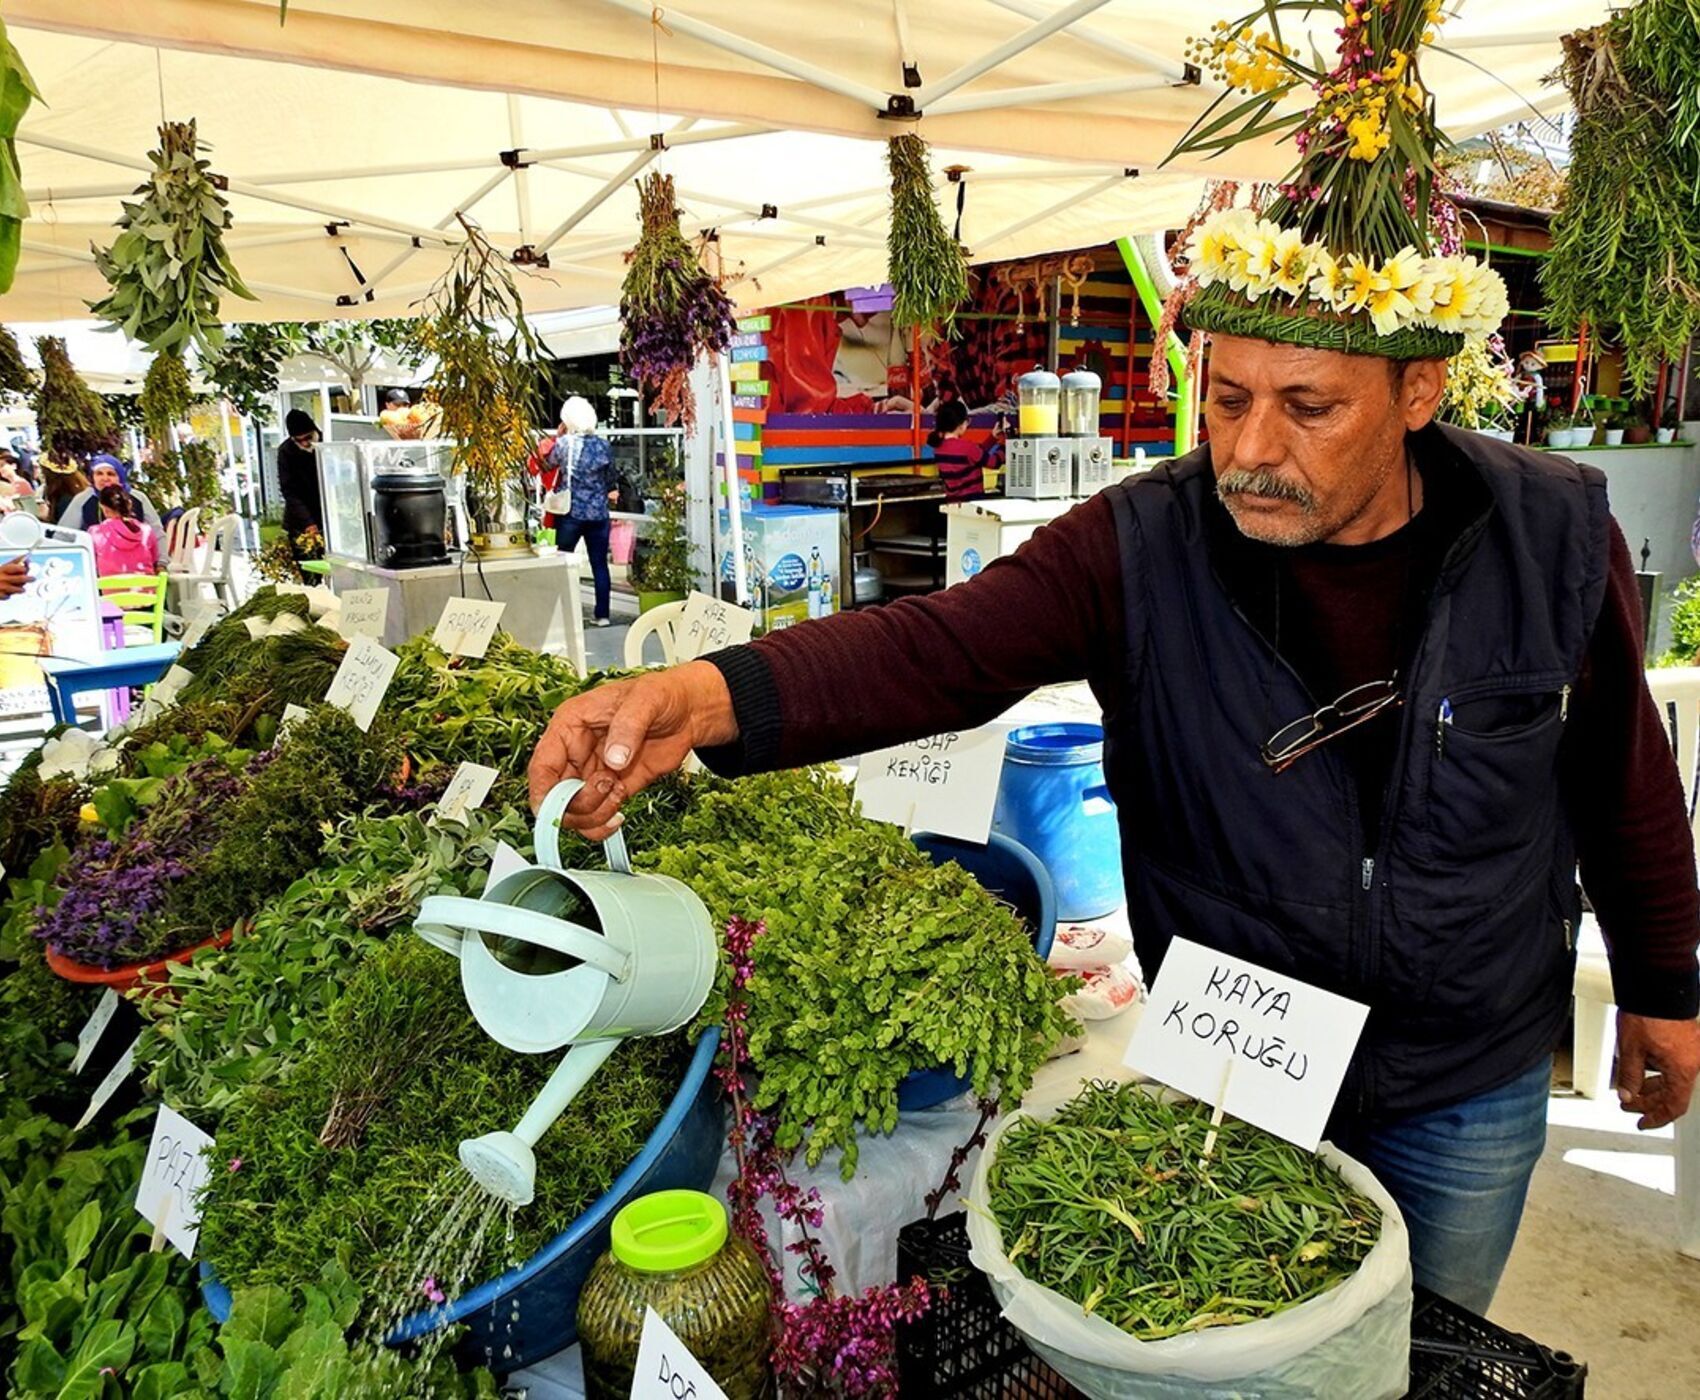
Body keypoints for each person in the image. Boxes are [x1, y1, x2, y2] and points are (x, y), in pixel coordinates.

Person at [527, 14, 1700, 1319]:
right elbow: (940, 652)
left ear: (1419, 394)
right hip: (1240, 1069)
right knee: (1242, 1338)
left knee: (1430, 1342)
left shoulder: (1547, 534)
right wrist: (702, 697)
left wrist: (1663, 987)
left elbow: (1622, 778)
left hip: (1463, 1073)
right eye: (1229, 395)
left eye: (1310, 408)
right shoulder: (1143, 544)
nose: (1253, 446)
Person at [527, 397, 618, 628]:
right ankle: (603, 615)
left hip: (571, 512)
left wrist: (557, 437)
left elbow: (547, 465)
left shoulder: (565, 443)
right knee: (599, 565)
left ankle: (559, 609)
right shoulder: (603, 445)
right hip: (598, 513)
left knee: (561, 560)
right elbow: (610, 479)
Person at [60, 454, 165, 544]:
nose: (105, 478)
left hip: (137, 561)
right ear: (93, 477)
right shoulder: (83, 499)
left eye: (111, 474)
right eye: (99, 474)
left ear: (120, 477)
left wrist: (162, 562)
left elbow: (157, 533)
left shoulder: (138, 498)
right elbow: (64, 535)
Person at [276, 409, 324, 558]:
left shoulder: (329, 442)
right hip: (300, 520)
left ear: (314, 431)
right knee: (309, 568)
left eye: (308, 438)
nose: (305, 443)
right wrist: (308, 522)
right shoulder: (286, 451)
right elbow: (289, 491)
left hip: (330, 514)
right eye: (299, 440)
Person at [88, 485, 163, 577]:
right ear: (129, 504)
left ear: (104, 509)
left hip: (112, 589)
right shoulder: (146, 531)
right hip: (147, 589)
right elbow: (154, 559)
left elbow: (91, 564)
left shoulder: (95, 533)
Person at [927, 400, 993, 501]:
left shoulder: (938, 449)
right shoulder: (968, 448)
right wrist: (1004, 445)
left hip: (953, 502)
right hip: (974, 502)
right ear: (960, 424)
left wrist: (992, 438)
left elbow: (976, 454)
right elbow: (993, 462)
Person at [38, 458, 89, 525]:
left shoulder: (65, 499)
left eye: (43, 472)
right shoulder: (65, 495)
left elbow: (66, 528)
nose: (41, 474)